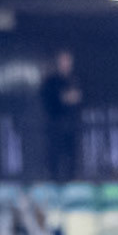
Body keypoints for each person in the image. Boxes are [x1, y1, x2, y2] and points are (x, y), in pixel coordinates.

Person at [39, 51, 83, 181]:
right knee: (54, 154)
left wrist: (71, 99)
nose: (66, 65)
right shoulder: (51, 82)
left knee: (71, 154)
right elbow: (50, 99)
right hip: (55, 124)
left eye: (68, 62)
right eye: (63, 62)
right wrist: (64, 99)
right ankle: (54, 180)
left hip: (71, 124)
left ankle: (71, 179)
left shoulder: (74, 80)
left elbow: (78, 99)